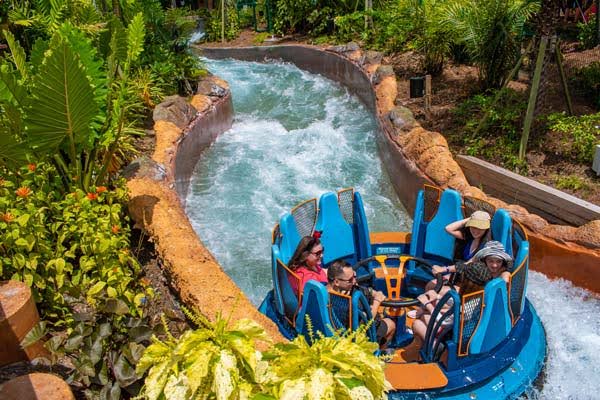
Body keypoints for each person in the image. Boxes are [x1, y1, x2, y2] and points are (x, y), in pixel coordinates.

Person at [411, 241, 512, 343]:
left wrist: (428, 304)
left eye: (498, 261)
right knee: (438, 302)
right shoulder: (479, 287)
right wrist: (436, 298)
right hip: (460, 319)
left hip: (452, 331)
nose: (494, 265)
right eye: (491, 261)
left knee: (417, 324)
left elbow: (446, 321)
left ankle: (434, 346)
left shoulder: (470, 304)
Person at [327, 260, 396, 348]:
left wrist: (373, 293)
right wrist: (377, 302)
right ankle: (380, 353)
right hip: (355, 338)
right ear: (336, 282)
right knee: (391, 324)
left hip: (336, 332)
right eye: (350, 280)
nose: (355, 281)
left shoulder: (324, 292)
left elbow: (365, 290)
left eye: (354, 275)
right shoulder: (344, 303)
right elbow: (366, 323)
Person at [287, 232, 327, 296]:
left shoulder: (311, 265)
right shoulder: (307, 278)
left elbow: (322, 271)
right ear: (305, 255)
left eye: (322, 251)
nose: (322, 255)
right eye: (318, 253)